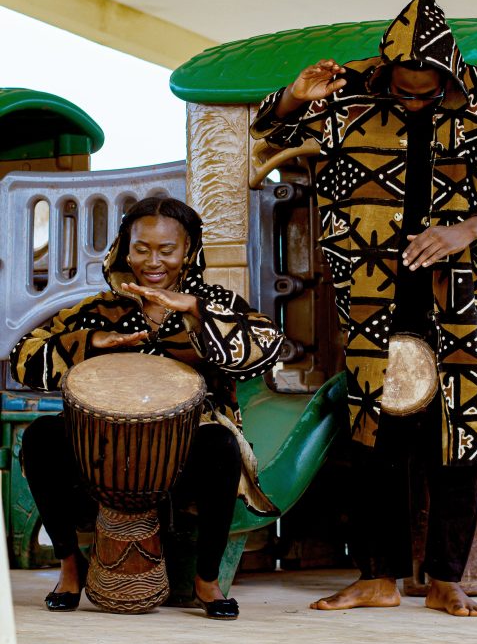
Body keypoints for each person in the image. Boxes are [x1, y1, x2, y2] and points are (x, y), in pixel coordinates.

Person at [251, 0, 477, 617]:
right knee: (373, 432)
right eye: (403, 91)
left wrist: (466, 230)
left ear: (448, 73)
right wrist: (291, 97)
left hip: (466, 294)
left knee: (464, 430)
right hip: (371, 292)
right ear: (388, 73)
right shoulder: (352, 90)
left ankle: (445, 577)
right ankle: (378, 577)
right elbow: (267, 132)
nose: (414, 101)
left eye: (428, 93)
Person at [10, 196, 283, 619]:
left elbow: (265, 349)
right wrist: (90, 344)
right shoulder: (99, 310)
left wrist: (195, 310)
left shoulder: (213, 303)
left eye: (167, 250)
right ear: (125, 247)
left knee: (221, 448)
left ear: (189, 251)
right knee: (42, 437)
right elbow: (24, 359)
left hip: (184, 455)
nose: (152, 261)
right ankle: (68, 567)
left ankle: (206, 581)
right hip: (101, 454)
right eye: (141, 248)